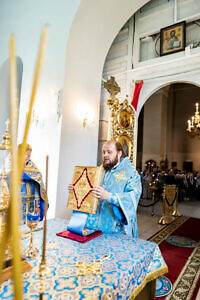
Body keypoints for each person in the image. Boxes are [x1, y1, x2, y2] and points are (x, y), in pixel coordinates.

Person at [69, 140, 141, 237]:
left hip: (116, 229)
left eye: (109, 152)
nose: (105, 155)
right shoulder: (98, 171)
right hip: (92, 226)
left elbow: (133, 197)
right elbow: (88, 192)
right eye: (103, 152)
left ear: (119, 153)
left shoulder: (131, 174)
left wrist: (109, 196)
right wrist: (76, 189)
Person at [19, 143, 47, 223]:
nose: (27, 157)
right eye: (25, 155)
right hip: (15, 205)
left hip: (29, 206)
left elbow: (37, 190)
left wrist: (37, 206)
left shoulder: (34, 170)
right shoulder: (11, 168)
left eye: (28, 156)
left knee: (28, 229)